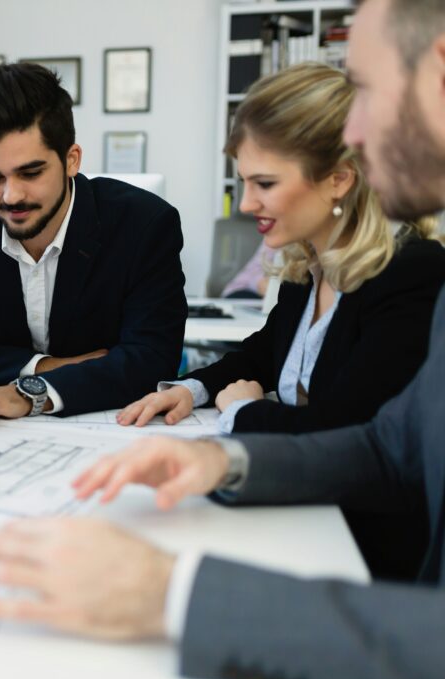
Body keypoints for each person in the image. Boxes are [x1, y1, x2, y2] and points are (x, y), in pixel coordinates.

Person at [0, 1, 445, 679]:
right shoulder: (312, 271)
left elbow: (364, 438)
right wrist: (221, 452)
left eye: (362, 88)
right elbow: (391, 448)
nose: (355, 129)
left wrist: (171, 590)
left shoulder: (415, 276)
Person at [120, 63, 445, 437]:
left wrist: (242, 411)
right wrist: (191, 389)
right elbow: (262, 355)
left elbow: (345, 430)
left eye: (265, 184)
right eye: (244, 182)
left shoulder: (412, 274)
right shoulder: (308, 265)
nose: (245, 205)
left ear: (338, 179)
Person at [0, 62, 187, 433]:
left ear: (71, 160)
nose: (11, 195)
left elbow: (152, 360)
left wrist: (26, 393)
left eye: (30, 173)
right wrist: (47, 367)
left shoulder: (144, 224)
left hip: (103, 433)